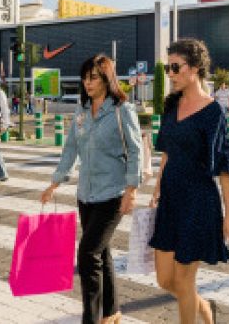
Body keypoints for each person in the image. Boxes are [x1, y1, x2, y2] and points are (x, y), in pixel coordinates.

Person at [40, 54, 142, 324]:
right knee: (101, 251)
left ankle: (91, 318)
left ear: (107, 78)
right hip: (86, 194)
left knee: (87, 254)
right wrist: (54, 182)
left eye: (93, 77)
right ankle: (112, 311)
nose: (87, 82)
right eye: (85, 77)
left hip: (113, 193)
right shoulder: (82, 111)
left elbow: (135, 150)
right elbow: (71, 148)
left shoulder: (122, 110)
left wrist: (132, 190)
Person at [149, 38, 229, 324]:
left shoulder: (214, 112)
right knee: (165, 279)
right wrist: (157, 188)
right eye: (168, 68)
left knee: (185, 280)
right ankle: (205, 309)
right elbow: (166, 153)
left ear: (195, 68)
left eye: (175, 67)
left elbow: (224, 166)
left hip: (199, 201)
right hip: (171, 199)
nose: (170, 74)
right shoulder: (171, 106)